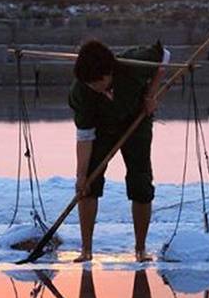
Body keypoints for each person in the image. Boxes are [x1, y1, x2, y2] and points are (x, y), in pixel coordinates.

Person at [69, 39, 170, 263]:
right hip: (103, 128)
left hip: (137, 120)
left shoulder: (132, 62)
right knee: (88, 186)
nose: (94, 86)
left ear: (109, 72)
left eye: (98, 81)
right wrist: (81, 175)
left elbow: (164, 56)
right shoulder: (81, 92)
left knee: (140, 183)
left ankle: (140, 249)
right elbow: (85, 136)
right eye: (89, 83)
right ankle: (86, 250)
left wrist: (150, 96)